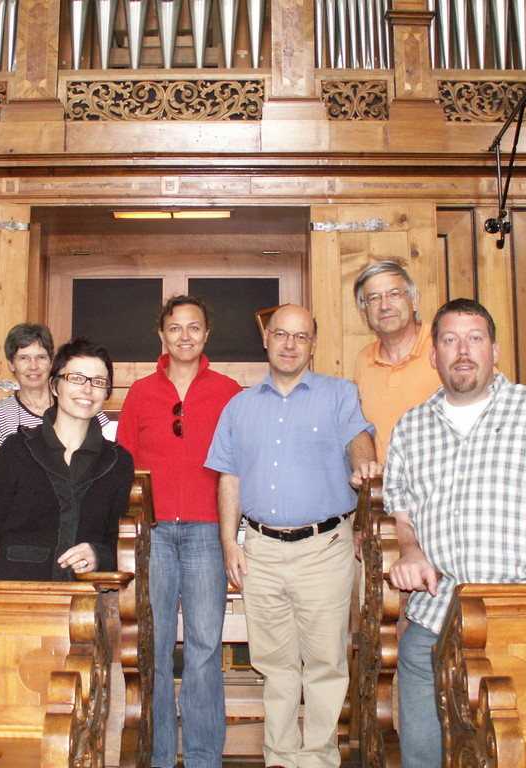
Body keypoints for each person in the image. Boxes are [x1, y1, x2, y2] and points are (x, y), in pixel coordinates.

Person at [384, 298, 526, 768]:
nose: (462, 351)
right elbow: (402, 516)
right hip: (435, 617)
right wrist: (409, 550)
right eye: (449, 340)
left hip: (520, 615)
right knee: (421, 753)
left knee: (516, 752)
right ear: (434, 356)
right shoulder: (410, 427)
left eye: (474, 339)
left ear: (495, 350)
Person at [206, 304, 377, 768]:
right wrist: (229, 544)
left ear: (313, 345)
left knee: (324, 664)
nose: (289, 344)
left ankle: (319, 759)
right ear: (266, 339)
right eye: (281, 334)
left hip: (324, 548)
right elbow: (229, 479)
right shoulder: (238, 406)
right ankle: (280, 757)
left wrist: (365, 463)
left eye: (300, 337)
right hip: (259, 550)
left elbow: (358, 439)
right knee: (276, 665)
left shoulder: (340, 394)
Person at [117, 295, 242, 768]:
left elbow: (237, 467)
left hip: (209, 533)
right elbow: (123, 466)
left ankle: (206, 757)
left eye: (194, 328)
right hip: (153, 537)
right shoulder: (140, 392)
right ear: (161, 335)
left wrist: (234, 534)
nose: (184, 336)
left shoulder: (230, 391)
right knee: (153, 646)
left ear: (207, 334)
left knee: (206, 649)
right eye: (175, 328)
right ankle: (157, 754)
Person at [0, 338, 133, 580]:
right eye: (76, 378)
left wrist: (98, 556)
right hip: (16, 594)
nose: (87, 389)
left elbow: (117, 543)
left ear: (106, 393)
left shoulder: (118, 461)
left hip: (82, 601)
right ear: (54, 386)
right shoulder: (16, 450)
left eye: (98, 382)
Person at [352, 260, 439, 458]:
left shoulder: (446, 345)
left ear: (415, 300)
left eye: (394, 294)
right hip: (387, 487)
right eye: (373, 298)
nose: (384, 306)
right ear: (363, 314)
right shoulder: (363, 361)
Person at [0, 323, 109, 446]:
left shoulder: (81, 404)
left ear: (52, 361)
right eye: (23, 358)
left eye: (41, 357)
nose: (33, 366)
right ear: (11, 364)